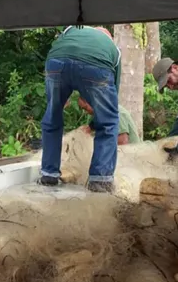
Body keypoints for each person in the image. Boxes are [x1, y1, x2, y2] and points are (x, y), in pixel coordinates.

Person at [40, 26, 121, 192]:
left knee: (52, 116)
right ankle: (100, 180)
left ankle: (49, 174)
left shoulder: (71, 30)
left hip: (56, 62)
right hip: (96, 67)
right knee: (109, 122)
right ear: (108, 37)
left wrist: (59, 99)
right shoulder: (113, 49)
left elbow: (58, 53)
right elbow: (112, 100)